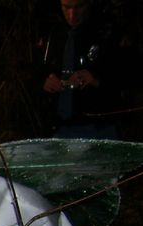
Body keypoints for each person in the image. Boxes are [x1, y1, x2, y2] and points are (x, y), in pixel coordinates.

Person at [37, 0, 119, 139]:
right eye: (66, 7)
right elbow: (33, 71)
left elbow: (128, 78)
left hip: (98, 129)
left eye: (79, 7)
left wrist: (96, 80)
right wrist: (44, 81)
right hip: (59, 129)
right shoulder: (52, 32)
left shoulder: (107, 32)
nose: (72, 15)